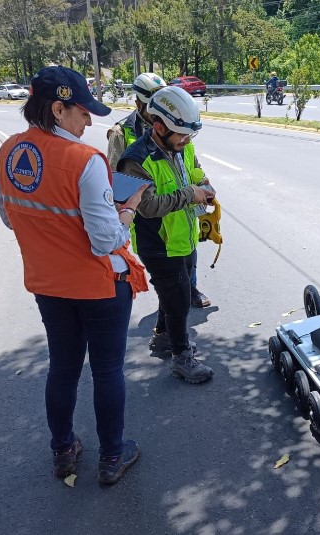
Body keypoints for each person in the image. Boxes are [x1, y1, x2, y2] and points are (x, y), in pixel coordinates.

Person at [0, 66, 147, 485]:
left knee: (62, 367)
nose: (89, 122)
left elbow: (10, 219)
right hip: (98, 287)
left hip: (48, 286)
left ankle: (63, 450)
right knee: (108, 370)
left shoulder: (7, 151)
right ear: (58, 109)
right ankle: (112, 458)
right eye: (82, 112)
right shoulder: (85, 161)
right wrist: (128, 208)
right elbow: (104, 242)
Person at [117, 85, 216, 384]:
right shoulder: (131, 160)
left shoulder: (181, 145)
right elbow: (145, 207)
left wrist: (206, 186)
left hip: (182, 235)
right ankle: (181, 357)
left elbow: (195, 171)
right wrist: (191, 194)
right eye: (180, 135)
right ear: (158, 126)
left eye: (189, 135)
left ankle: (162, 339)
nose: (186, 141)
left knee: (174, 294)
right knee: (178, 299)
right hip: (157, 243)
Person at [108, 72, 212, 309]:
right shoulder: (123, 134)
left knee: (187, 268)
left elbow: (191, 165)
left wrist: (203, 184)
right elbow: (119, 184)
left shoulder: (179, 128)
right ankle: (173, 325)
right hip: (152, 225)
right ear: (138, 103)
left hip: (181, 216)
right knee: (172, 288)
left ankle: (186, 295)